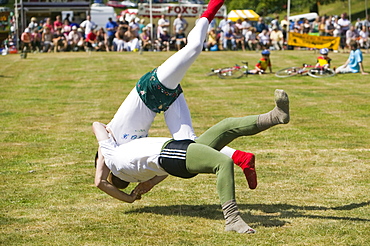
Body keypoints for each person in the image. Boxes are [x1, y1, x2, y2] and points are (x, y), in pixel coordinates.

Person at [100, 0, 258, 190]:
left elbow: (99, 168)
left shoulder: (109, 149)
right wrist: (149, 183)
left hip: (150, 87)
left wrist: (106, 180)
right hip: (165, 101)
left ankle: (209, 11)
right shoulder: (128, 157)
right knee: (188, 146)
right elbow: (164, 162)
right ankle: (241, 157)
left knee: (193, 48)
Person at [93, 89, 290, 234]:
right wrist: (103, 153)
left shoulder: (131, 168)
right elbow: (97, 126)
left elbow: (161, 169)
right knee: (223, 162)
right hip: (173, 152)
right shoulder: (113, 157)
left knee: (226, 126)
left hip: (175, 151)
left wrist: (148, 184)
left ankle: (275, 116)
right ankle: (232, 220)